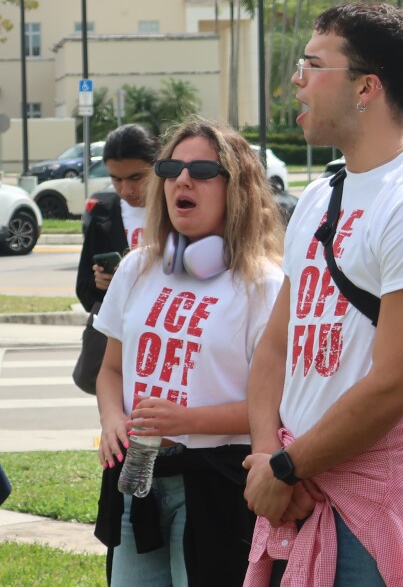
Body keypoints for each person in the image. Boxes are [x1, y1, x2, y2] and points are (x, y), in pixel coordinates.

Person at [240, 2, 403, 586]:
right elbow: (276, 347)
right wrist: (269, 462)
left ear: (366, 87)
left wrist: (287, 466)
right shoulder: (323, 196)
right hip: (295, 487)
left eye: (312, 64)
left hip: (380, 507)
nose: (296, 80)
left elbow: (395, 383)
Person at [92, 117, 285, 585]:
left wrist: (187, 421)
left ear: (237, 186)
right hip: (137, 477)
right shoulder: (138, 267)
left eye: (201, 169)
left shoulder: (266, 286)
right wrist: (112, 419)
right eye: (172, 167)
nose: (181, 178)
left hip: (216, 484)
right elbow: (111, 371)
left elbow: (275, 411)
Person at [73, 124, 158, 395]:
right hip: (120, 346)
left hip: (163, 338)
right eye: (116, 179)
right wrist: (102, 283)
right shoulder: (103, 216)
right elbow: (85, 293)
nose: (126, 189)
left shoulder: (178, 209)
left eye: (136, 177)